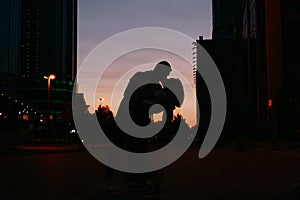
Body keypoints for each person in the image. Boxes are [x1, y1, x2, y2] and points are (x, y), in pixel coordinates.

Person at [114, 61, 184, 192]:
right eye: (167, 74)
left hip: (131, 116)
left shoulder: (150, 82)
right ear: (161, 71)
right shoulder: (153, 86)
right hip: (131, 117)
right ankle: (143, 178)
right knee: (135, 148)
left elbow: (131, 96)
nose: (166, 77)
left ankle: (140, 179)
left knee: (135, 149)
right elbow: (135, 97)